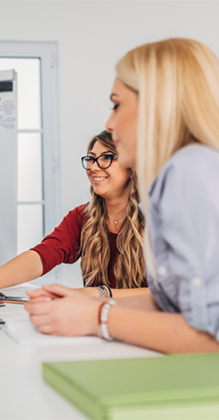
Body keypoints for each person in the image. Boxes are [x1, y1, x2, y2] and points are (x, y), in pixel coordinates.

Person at [26, 38, 219, 354]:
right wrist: (88, 302)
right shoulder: (180, 175)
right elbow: (175, 305)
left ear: (158, 106)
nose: (109, 123)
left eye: (117, 105)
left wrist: (98, 316)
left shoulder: (188, 171)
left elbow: (209, 338)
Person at [0, 131, 148, 298]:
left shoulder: (157, 219)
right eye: (91, 158)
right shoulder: (82, 217)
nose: (94, 167)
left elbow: (168, 295)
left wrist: (101, 293)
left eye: (106, 158)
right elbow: (41, 256)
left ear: (131, 166)